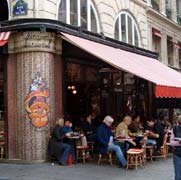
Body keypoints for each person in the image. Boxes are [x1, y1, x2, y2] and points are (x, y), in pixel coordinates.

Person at [170, 115, 181, 180]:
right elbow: (171, 142)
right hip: (177, 154)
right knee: (178, 176)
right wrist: (179, 143)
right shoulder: (175, 128)